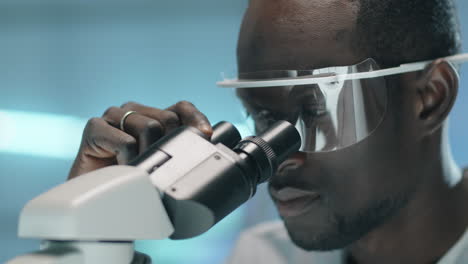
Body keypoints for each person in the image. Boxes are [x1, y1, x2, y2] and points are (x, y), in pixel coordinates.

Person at [68, 0, 468, 263]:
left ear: (430, 97)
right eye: (261, 117)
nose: (279, 159)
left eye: (315, 111)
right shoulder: (265, 256)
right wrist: (90, 237)